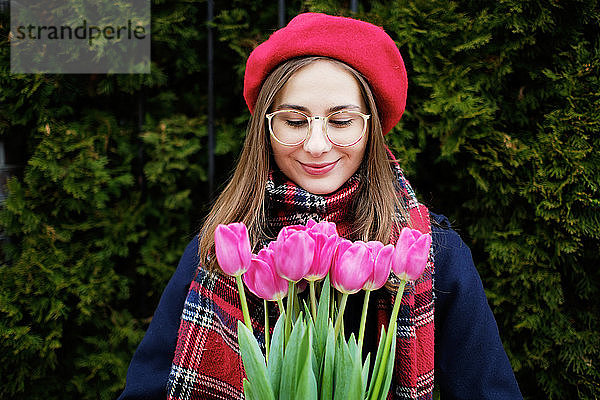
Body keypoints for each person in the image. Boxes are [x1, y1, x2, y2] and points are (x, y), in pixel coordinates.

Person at [118, 12, 523, 400]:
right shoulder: (220, 254)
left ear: (371, 126)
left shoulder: (432, 255)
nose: (316, 145)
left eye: (342, 121)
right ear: (267, 128)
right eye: (295, 121)